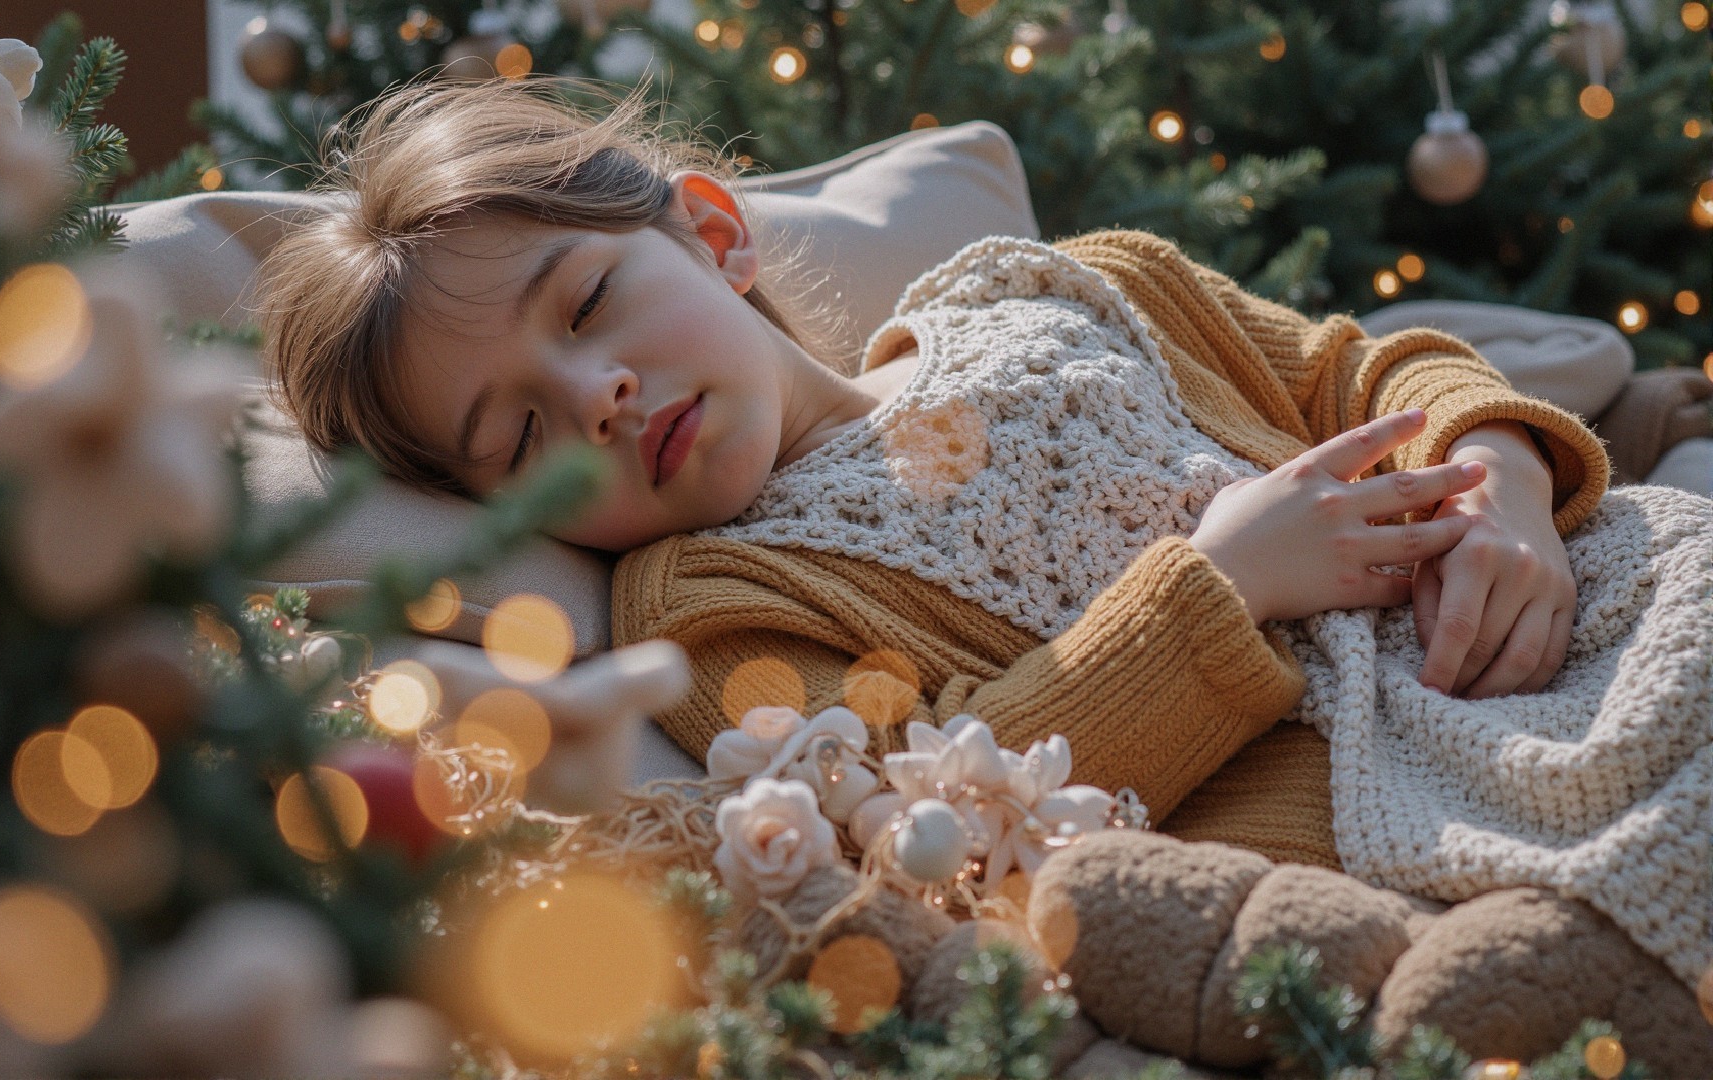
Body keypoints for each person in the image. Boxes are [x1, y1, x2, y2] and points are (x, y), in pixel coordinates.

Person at [255, 78, 1710, 1007]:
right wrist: (1217, 589)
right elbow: (933, 816)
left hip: (1590, 601)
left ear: (712, 233)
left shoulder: (1063, 288)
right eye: (520, 438)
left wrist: (1501, 474)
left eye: (586, 306)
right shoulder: (707, 611)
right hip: (1389, 812)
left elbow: (1359, 370)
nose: (597, 397)